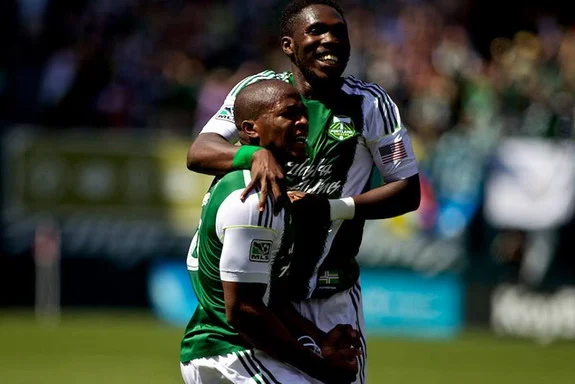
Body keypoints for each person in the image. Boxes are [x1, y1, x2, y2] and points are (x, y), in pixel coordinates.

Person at [186, 1, 421, 382]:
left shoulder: (371, 104)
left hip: (331, 294)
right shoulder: (258, 91)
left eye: (339, 32)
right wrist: (254, 154)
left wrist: (332, 209)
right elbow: (199, 152)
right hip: (262, 290)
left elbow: (407, 191)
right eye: (316, 31)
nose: (330, 40)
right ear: (288, 44)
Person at [180, 79, 361, 384]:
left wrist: (318, 339)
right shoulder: (253, 198)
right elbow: (244, 312)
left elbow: (264, 296)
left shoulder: (251, 183)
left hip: (230, 350)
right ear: (251, 129)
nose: (304, 123)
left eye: (304, 114)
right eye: (289, 115)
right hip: (231, 355)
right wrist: (322, 369)